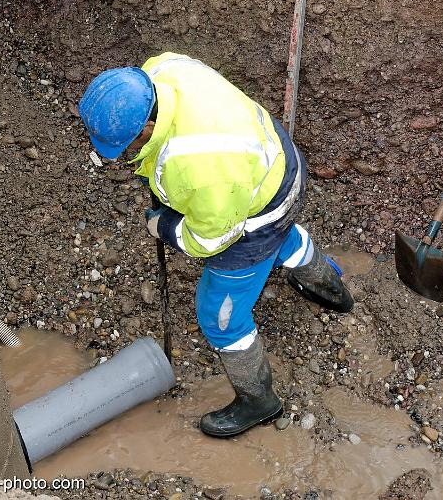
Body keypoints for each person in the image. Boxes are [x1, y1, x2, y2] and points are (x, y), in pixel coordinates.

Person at [78, 52, 353, 437]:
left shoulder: (197, 168)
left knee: (220, 317)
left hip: (252, 204)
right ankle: (330, 288)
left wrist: (166, 227)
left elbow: (209, 240)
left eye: (126, 144)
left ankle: (259, 401)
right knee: (281, 235)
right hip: (276, 164)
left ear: (149, 124)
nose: (121, 154)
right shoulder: (161, 68)